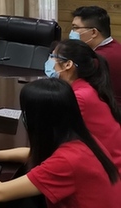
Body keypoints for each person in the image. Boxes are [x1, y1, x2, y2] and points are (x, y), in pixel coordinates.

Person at [0, 78, 121, 206]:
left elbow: (0, 192)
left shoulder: (67, 161)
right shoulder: (81, 139)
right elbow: (31, 153)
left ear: (40, 119)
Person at [46, 39, 121, 170]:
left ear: (68, 64)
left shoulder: (79, 97)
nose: (49, 61)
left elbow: (52, 140)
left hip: (109, 170)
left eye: (53, 56)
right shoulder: (85, 88)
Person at [70, 6, 121, 105]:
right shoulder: (115, 46)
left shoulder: (97, 60)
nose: (72, 32)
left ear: (93, 32)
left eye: (75, 28)